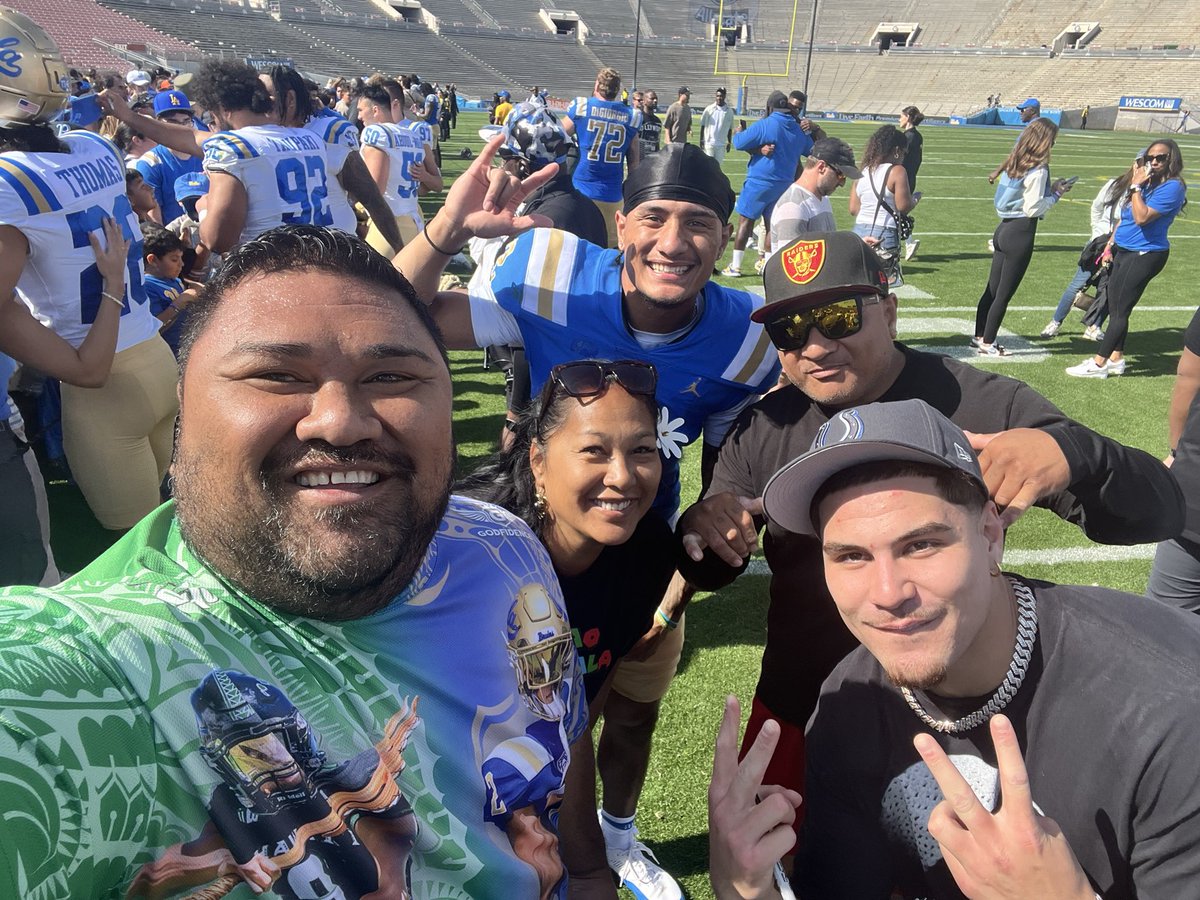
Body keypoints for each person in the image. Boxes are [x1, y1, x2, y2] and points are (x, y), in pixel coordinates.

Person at [0, 225, 587, 898]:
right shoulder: (94, 665)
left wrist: (594, 873)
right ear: (181, 430)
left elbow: (559, 749)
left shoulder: (504, 547)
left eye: (391, 376)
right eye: (276, 375)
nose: (340, 421)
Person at [676, 230, 1185, 819]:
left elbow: (1157, 511)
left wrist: (1075, 451)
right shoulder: (765, 424)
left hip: (957, 721)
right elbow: (710, 565)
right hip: (802, 699)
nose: (814, 346)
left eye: (838, 317)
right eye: (789, 329)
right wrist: (701, 529)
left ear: (889, 310)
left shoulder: (981, 403)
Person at [396, 139, 781, 900]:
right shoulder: (550, 275)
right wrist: (445, 231)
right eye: (655, 218)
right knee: (496, 727)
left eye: (699, 222)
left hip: (643, 563)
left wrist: (688, 559)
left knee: (623, 718)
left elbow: (729, 459)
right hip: (531, 547)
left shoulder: (745, 336)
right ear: (620, 220)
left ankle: (617, 836)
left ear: (728, 233)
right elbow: (398, 316)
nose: (674, 242)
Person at [710, 398, 1200, 900]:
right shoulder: (849, 699)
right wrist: (751, 892)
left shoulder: (1171, 714)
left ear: (990, 535)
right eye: (851, 555)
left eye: (921, 545)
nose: (888, 593)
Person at [459, 360, 679, 898]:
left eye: (642, 450)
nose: (623, 476)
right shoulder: (469, 553)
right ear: (537, 461)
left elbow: (572, 720)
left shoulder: (645, 553)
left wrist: (585, 867)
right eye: (594, 451)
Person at [1, 11, 178, 533]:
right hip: (155, 356)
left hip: (102, 383)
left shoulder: (11, 181)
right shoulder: (95, 147)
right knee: (176, 524)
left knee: (139, 555)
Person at [469, 102, 607, 445]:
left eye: (506, 158)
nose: (501, 166)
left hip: (546, 368)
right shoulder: (579, 205)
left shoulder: (544, 219)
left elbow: (523, 313)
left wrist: (516, 413)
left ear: (523, 163)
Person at [1067, 140, 1186, 379]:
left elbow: (1142, 218)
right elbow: (1126, 218)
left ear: (1171, 159)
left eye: (1160, 158)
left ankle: (1099, 364)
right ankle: (1116, 359)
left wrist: (1134, 188)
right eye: (1150, 157)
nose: (1153, 162)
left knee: (1119, 311)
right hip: (1124, 249)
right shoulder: (1150, 183)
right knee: (1116, 306)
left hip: (1145, 254)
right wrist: (1110, 244)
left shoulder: (1172, 187)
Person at [265, 65, 403, 254]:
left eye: (266, 98)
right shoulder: (257, 136)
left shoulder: (330, 133)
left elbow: (371, 197)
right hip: (287, 253)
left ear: (289, 99)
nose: (258, 104)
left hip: (334, 251)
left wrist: (400, 250)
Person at [972, 118, 1071, 357]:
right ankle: (989, 342)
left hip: (1003, 228)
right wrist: (1056, 194)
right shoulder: (1039, 168)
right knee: (1004, 294)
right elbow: (1033, 208)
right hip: (1020, 232)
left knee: (992, 290)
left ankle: (979, 335)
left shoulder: (1017, 160)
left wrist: (1050, 189)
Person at [722, 91, 813, 277]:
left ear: (770, 107)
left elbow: (739, 143)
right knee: (773, 226)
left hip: (760, 181)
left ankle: (736, 266)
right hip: (784, 184)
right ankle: (769, 265)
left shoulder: (766, 124)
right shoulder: (797, 129)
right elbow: (810, 149)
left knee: (746, 222)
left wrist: (739, 132)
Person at [355, 81, 442, 256]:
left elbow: (375, 190)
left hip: (385, 225)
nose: (358, 117)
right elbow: (424, 188)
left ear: (375, 110)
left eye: (360, 110)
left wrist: (352, 206)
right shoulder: (414, 136)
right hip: (414, 222)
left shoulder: (376, 133)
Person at [1040, 168, 1127, 338]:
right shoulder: (1115, 185)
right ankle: (1055, 322)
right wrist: (1097, 232)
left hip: (1121, 247)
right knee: (1077, 285)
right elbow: (1097, 207)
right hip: (1099, 244)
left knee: (1108, 290)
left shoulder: (1145, 191)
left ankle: (1094, 326)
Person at [562, 67, 642, 247]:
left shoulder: (582, 107)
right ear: (617, 90)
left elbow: (556, 136)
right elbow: (634, 163)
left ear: (597, 85)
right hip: (612, 195)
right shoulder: (632, 116)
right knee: (608, 250)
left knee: (578, 247)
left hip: (581, 190)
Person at [769, 137, 860, 250]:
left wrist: (857, 248)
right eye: (840, 175)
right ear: (821, 167)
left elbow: (827, 250)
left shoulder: (822, 198)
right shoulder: (793, 207)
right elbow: (791, 264)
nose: (842, 183)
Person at [133, 88, 203, 224]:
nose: (181, 128)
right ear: (158, 122)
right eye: (173, 122)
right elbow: (153, 215)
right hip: (176, 236)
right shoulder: (151, 163)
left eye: (185, 121)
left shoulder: (205, 153)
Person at [987, 97, 1041, 184]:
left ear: (1032, 111)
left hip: (1028, 172)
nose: (1021, 113)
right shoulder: (1044, 127)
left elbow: (1016, 152)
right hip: (1039, 170)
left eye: (1023, 110)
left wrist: (997, 171)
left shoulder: (1032, 128)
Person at [898, 105, 924, 260]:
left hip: (903, 179)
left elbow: (900, 158)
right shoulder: (917, 136)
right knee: (897, 212)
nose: (899, 119)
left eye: (901, 116)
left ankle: (909, 242)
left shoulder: (908, 137)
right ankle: (905, 243)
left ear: (907, 117)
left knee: (896, 212)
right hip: (910, 177)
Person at [700, 88, 735, 162]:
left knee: (717, 167)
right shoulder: (709, 109)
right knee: (708, 166)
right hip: (709, 143)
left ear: (725, 96)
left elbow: (730, 128)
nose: (719, 98)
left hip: (721, 144)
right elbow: (703, 125)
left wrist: (729, 142)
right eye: (717, 96)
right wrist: (701, 140)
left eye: (721, 96)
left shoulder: (729, 111)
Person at [636, 90, 662, 159]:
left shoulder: (658, 121)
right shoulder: (638, 118)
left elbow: (657, 142)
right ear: (644, 101)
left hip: (653, 160)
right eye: (652, 99)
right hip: (639, 159)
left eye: (656, 98)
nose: (655, 101)